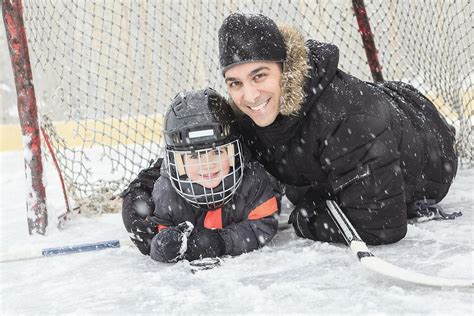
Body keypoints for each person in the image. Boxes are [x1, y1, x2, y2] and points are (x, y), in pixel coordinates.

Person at [216, 13, 459, 245]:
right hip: (379, 111)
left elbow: (381, 225)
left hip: (428, 147)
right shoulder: (250, 112)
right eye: (235, 83)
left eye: (259, 76)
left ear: (285, 68)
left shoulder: (345, 118)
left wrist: (305, 220)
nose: (249, 95)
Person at [121, 88, 280, 262]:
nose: (208, 164)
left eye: (218, 152)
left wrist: (221, 241)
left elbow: (263, 225)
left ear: (235, 151)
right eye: (195, 155)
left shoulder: (253, 178)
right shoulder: (167, 190)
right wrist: (163, 246)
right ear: (177, 162)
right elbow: (159, 236)